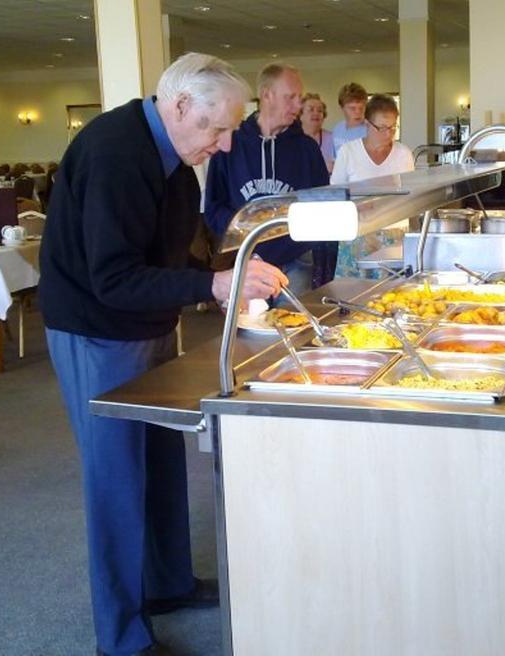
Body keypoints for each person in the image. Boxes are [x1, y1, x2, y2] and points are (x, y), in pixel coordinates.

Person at [40, 52, 287, 656]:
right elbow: (115, 278)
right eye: (219, 128)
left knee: (162, 456)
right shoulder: (113, 152)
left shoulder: (178, 157)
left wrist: (227, 272)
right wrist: (210, 287)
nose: (227, 144)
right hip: (95, 329)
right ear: (179, 107)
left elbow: (170, 260)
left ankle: (169, 582)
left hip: (144, 324)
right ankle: (120, 637)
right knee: (116, 478)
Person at [204, 62, 329, 294]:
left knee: (297, 328)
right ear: (266, 95)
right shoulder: (230, 144)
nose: (297, 105)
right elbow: (213, 209)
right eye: (290, 97)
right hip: (244, 262)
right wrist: (248, 242)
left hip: (296, 262)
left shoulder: (307, 149)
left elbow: (323, 209)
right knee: (246, 329)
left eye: (299, 97)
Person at [329, 94, 415, 278]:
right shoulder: (349, 152)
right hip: (357, 233)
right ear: (367, 124)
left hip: (394, 233)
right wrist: (359, 204)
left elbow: (410, 197)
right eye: (382, 128)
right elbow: (335, 195)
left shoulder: (403, 154)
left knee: (392, 293)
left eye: (392, 128)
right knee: (352, 294)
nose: (388, 134)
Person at [300, 92, 335, 172]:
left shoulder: (332, 138)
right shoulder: (293, 140)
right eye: (311, 110)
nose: (316, 113)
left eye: (320, 111)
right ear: (300, 115)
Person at [331, 82, 368, 150]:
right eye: (352, 108)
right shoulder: (337, 129)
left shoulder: (371, 131)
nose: (358, 112)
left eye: (361, 108)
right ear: (342, 108)